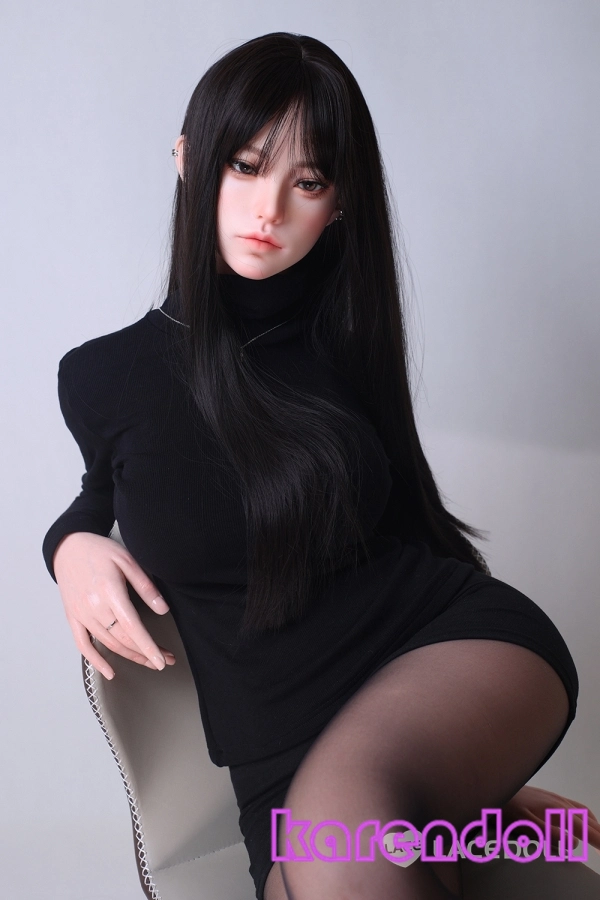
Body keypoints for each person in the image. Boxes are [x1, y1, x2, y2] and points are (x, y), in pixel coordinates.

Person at [42, 32, 598, 900]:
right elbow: (108, 487)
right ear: (188, 159)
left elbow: (410, 519)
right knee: (336, 855)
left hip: (447, 652)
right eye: (244, 165)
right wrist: (67, 547)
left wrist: (447, 754)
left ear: (339, 204)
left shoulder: (340, 344)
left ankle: (425, 796)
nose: (268, 208)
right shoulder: (102, 376)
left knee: (349, 842)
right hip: (281, 763)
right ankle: (448, 814)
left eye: (307, 182)